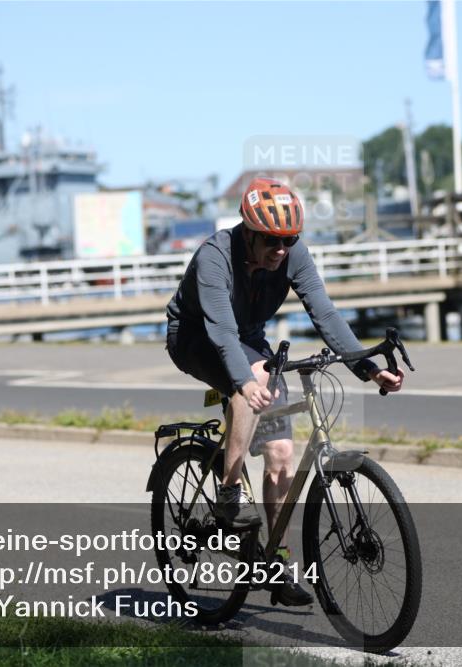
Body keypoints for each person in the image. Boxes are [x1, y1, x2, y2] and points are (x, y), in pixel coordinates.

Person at [165, 177, 404, 606]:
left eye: (289, 240)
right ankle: (228, 493)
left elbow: (325, 314)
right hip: (196, 338)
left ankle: (275, 562)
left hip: (248, 337)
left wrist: (367, 369)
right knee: (253, 377)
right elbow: (220, 333)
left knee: (281, 456)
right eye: (272, 241)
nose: (282, 249)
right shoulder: (215, 257)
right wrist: (245, 382)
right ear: (249, 232)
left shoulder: (293, 255)